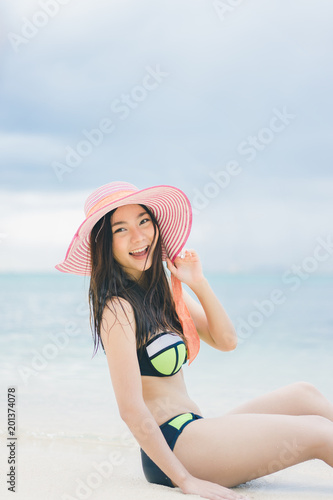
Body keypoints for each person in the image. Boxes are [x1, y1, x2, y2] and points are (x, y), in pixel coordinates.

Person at [56, 181, 333, 500]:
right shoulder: (117, 309)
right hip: (175, 448)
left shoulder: (164, 294)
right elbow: (131, 409)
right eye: (121, 229)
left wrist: (198, 283)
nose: (138, 236)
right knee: (320, 433)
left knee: (305, 395)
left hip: (196, 430)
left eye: (144, 221)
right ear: (106, 244)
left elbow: (226, 341)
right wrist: (186, 480)